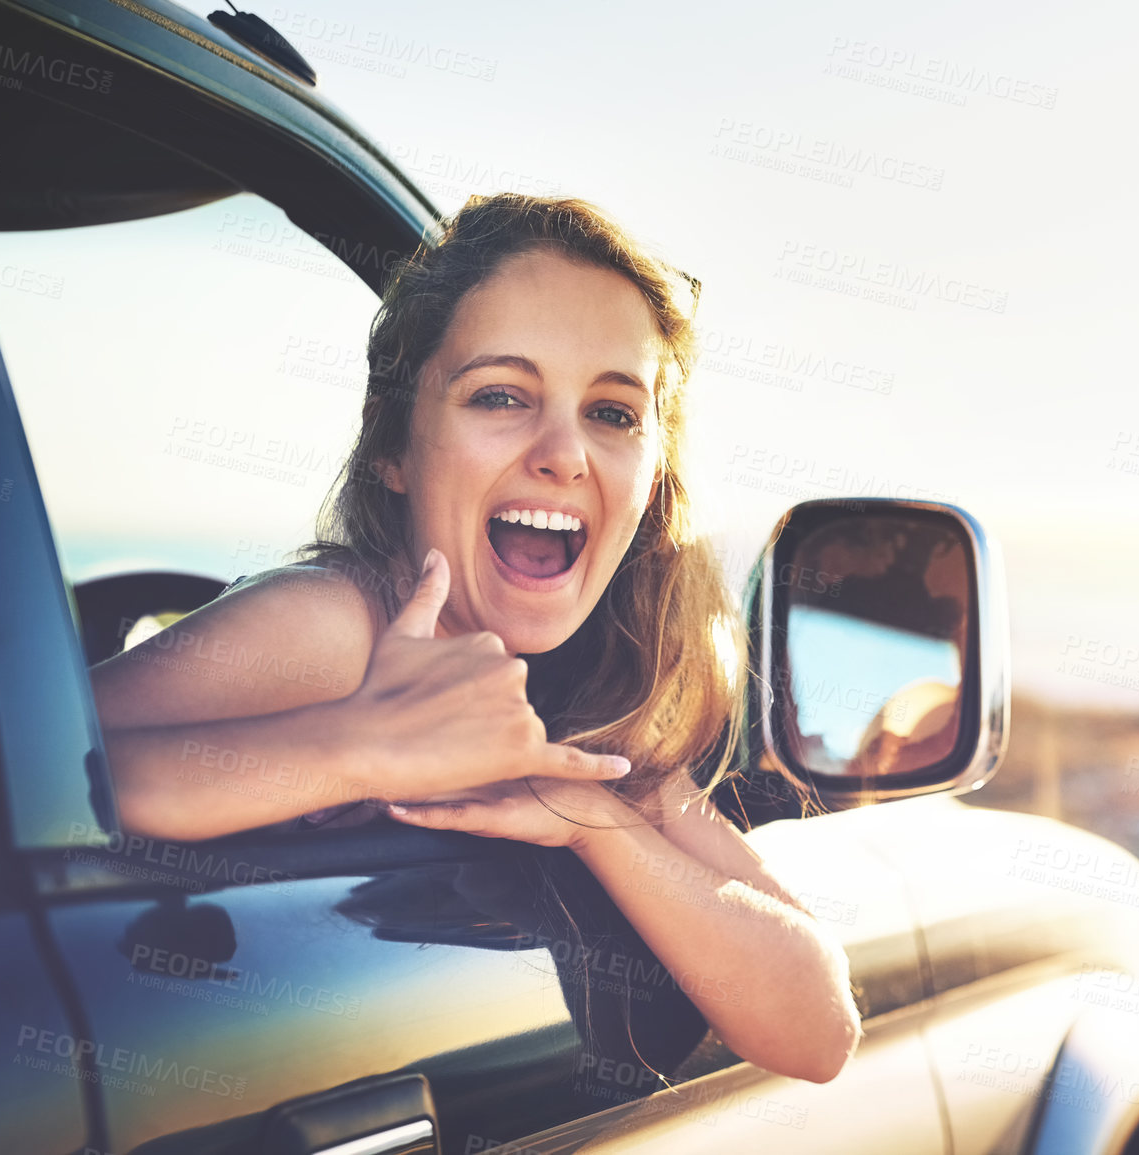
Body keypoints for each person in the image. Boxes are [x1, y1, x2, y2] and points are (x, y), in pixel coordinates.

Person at [88, 194, 861, 1084]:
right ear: (396, 450)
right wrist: (360, 746)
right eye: (501, 396)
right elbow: (8, 780)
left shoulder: (594, 697)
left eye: (613, 412)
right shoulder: (340, 625)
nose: (563, 452)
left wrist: (594, 822)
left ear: (653, 480)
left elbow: (816, 1027)